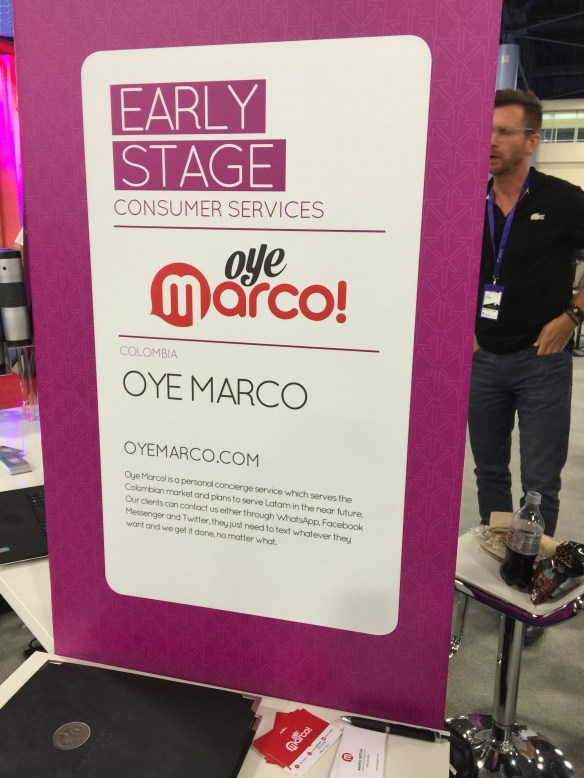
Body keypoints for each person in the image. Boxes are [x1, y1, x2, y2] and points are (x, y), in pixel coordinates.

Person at [469, 88, 584, 539]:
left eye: (504, 131)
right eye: (486, 131)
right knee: (489, 471)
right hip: (481, 358)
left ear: (532, 141)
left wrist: (571, 316)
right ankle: (493, 556)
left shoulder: (563, 199)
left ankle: (528, 566)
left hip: (542, 360)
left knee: (540, 484)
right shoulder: (468, 199)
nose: (490, 141)